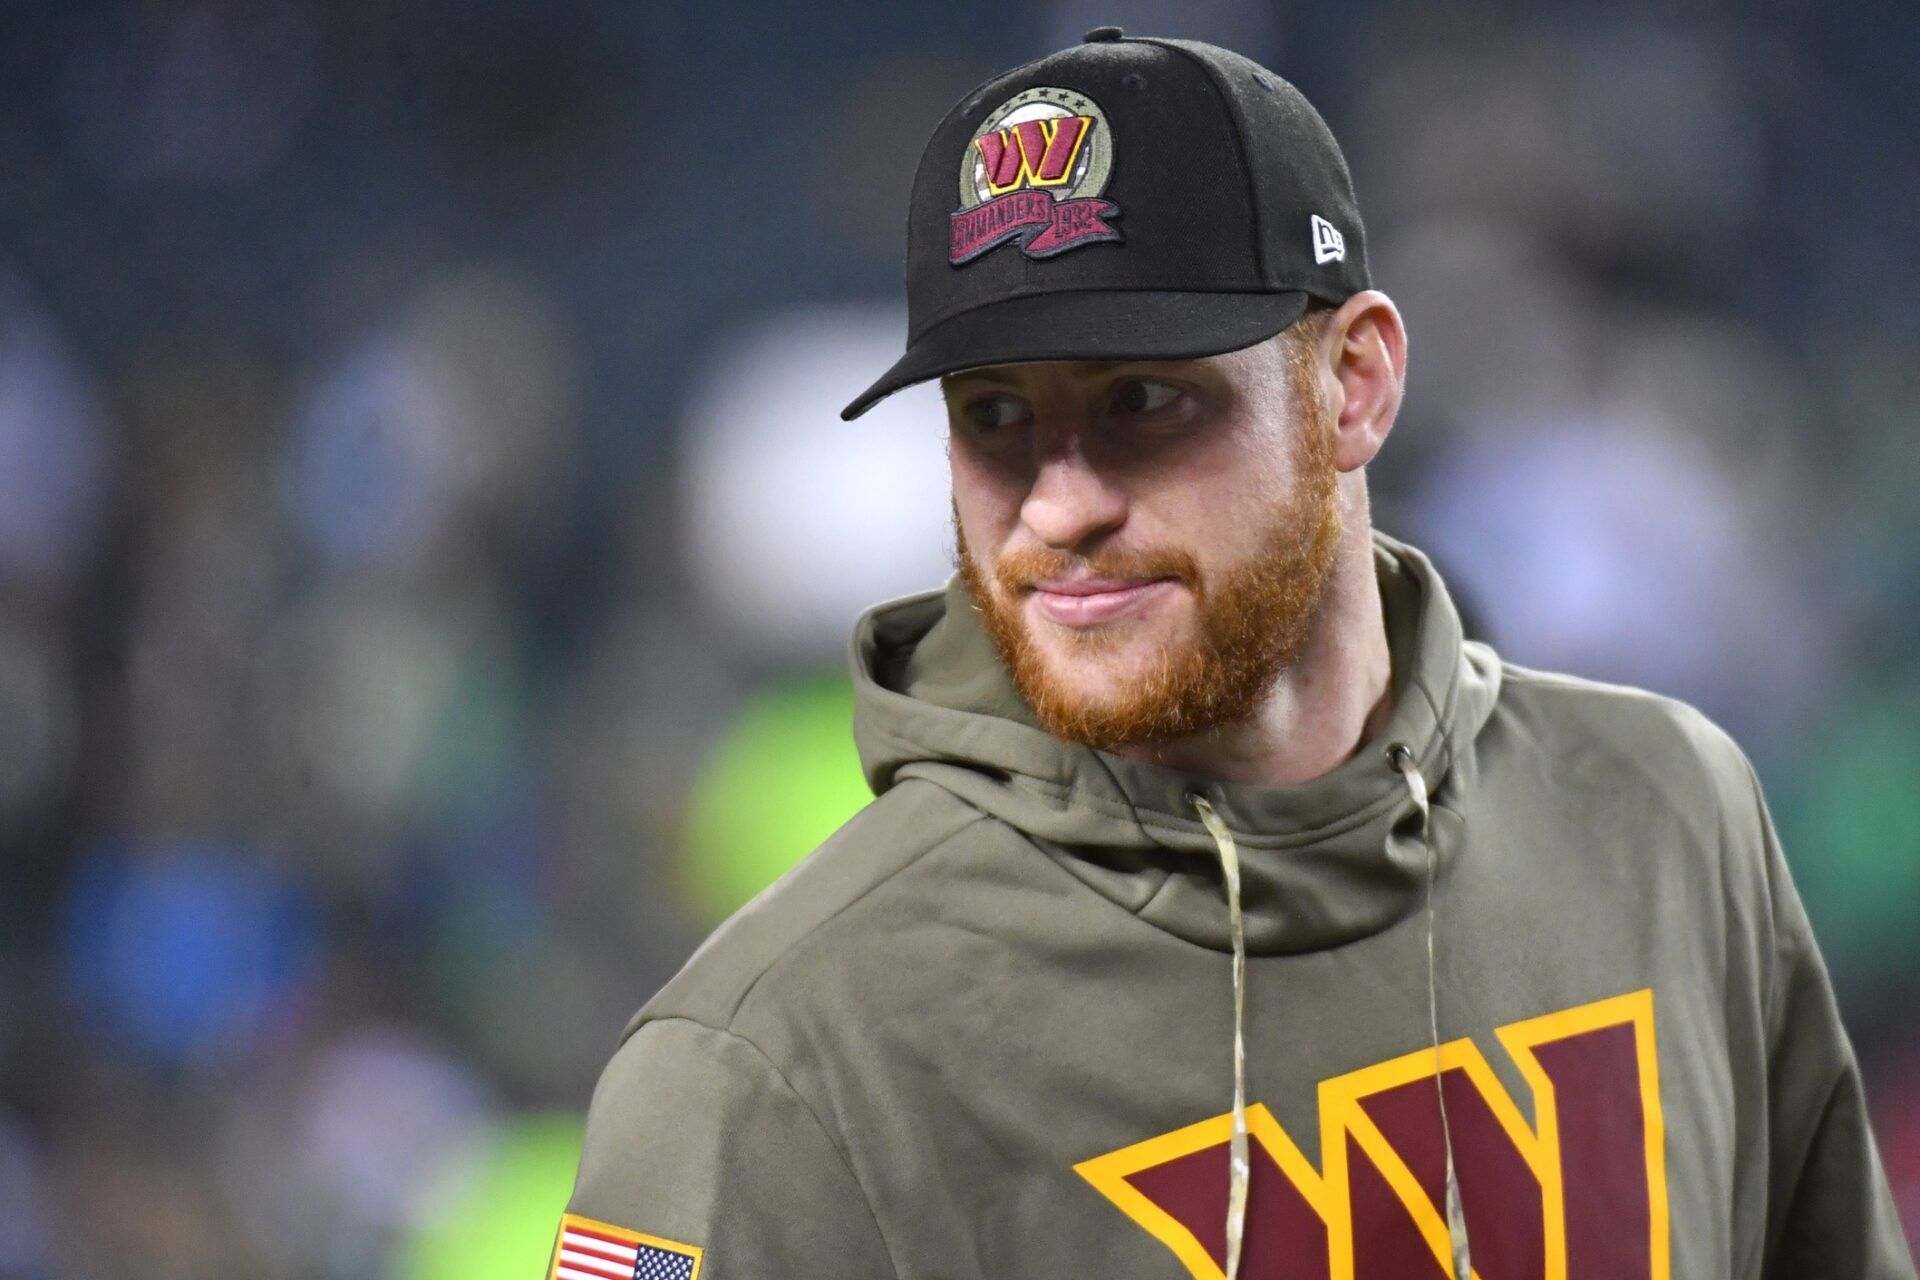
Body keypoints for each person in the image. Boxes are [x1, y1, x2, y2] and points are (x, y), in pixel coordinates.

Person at [552, 30, 1916, 1280]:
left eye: (1144, 401)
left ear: (1355, 384)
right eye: (996, 418)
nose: (1057, 502)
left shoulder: (1670, 815)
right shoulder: (765, 1060)